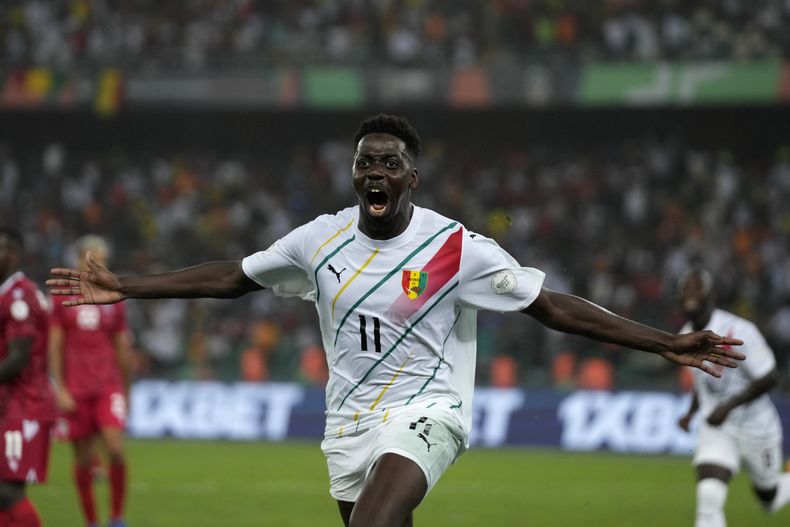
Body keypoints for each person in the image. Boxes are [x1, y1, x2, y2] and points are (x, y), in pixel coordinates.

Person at [48, 114, 745, 527]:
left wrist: (664, 342)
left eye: (390, 161)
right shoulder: (318, 241)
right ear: (354, 175)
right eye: (365, 161)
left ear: (411, 177)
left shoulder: (455, 248)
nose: (375, 169)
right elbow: (234, 276)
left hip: (428, 412)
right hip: (347, 422)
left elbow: (552, 305)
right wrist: (128, 286)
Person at [676, 268, 790, 526]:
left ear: (710, 294)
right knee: (709, 496)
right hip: (717, 428)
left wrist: (728, 406)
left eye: (697, 287)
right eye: (686, 288)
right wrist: (692, 412)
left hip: (755, 426)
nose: (691, 293)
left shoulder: (738, 329)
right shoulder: (685, 334)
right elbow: (701, 379)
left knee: (768, 500)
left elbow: (770, 377)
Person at [49, 235, 133, 527]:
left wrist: (126, 388)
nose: (99, 264)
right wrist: (59, 387)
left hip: (108, 386)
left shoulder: (115, 297)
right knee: (84, 460)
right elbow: (55, 345)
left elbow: (122, 347)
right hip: (75, 388)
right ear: (80, 261)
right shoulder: (62, 296)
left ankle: (117, 517)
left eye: (103, 259)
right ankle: (92, 521)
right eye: (93, 258)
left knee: (115, 451)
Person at [0, 227, 54, 527]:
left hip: (25, 405)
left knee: (6, 491)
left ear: (12, 255)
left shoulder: (19, 296)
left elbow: (18, 357)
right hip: (9, 404)